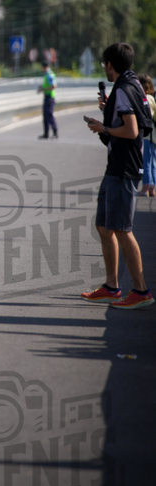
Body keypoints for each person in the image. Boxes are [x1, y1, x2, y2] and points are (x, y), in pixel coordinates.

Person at [82, 42, 154, 309]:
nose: (105, 70)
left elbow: (132, 131)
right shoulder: (133, 84)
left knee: (123, 230)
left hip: (124, 169)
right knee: (104, 227)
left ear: (111, 65)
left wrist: (105, 127)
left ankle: (141, 291)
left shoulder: (123, 90)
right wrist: (106, 119)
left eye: (105, 66)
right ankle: (112, 287)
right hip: (117, 167)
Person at [138, 73, 156, 197]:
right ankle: (152, 188)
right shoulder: (152, 98)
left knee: (146, 162)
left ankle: (145, 187)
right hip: (153, 136)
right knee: (152, 162)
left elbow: (147, 115)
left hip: (147, 135)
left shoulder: (147, 99)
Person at [38, 60, 58, 139]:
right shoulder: (46, 74)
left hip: (50, 97)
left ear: (44, 67)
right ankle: (46, 133)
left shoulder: (49, 74)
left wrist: (43, 89)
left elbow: (53, 86)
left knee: (49, 115)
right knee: (45, 115)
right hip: (47, 96)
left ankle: (55, 132)